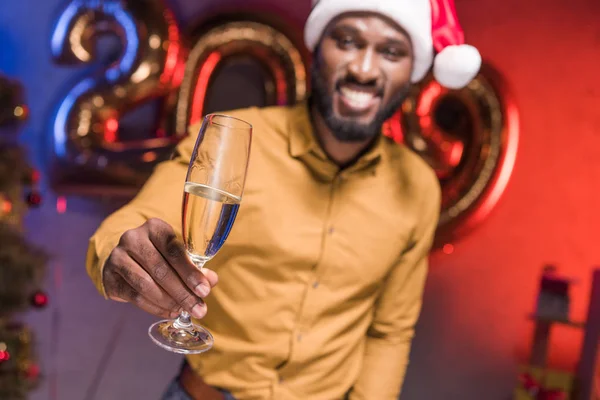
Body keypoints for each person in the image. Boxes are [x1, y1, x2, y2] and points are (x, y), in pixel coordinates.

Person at [85, 0, 481, 399]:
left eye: (391, 51)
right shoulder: (237, 139)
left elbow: (389, 332)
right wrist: (120, 259)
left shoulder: (418, 188)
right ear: (317, 48)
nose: (363, 68)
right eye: (346, 41)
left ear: (413, 72)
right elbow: (131, 224)